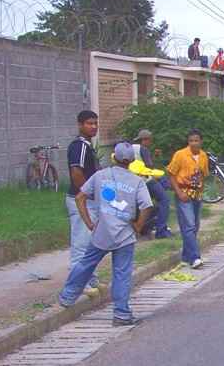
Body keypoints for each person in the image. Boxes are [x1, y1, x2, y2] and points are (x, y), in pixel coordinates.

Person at [58, 142, 153, 326]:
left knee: (86, 263)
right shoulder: (137, 182)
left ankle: (67, 296)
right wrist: (139, 225)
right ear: (132, 161)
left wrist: (89, 223)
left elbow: (80, 197)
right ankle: (121, 315)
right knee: (122, 274)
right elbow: (147, 206)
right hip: (124, 236)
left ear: (114, 157)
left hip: (101, 232)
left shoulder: (100, 176)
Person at [66, 110, 101, 294]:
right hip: (80, 200)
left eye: (95, 123)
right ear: (80, 125)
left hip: (89, 201)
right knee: (81, 243)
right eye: (89, 123)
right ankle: (77, 285)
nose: (93, 126)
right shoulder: (79, 146)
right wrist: (85, 194)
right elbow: (76, 173)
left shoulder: (88, 145)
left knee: (91, 243)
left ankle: (90, 278)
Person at [167, 129, 209, 268]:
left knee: (194, 226)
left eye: (196, 140)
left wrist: (202, 192)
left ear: (201, 141)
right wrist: (179, 192)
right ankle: (195, 257)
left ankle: (185, 256)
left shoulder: (203, 156)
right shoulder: (180, 155)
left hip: (197, 194)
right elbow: (171, 174)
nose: (193, 143)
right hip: (183, 193)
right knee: (189, 225)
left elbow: (204, 175)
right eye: (191, 141)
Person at [134, 129, 172, 239]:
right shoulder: (143, 149)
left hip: (134, 181)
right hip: (145, 180)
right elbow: (149, 167)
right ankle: (161, 230)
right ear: (145, 140)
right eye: (150, 140)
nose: (150, 143)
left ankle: (148, 226)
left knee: (149, 205)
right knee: (164, 200)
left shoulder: (131, 148)